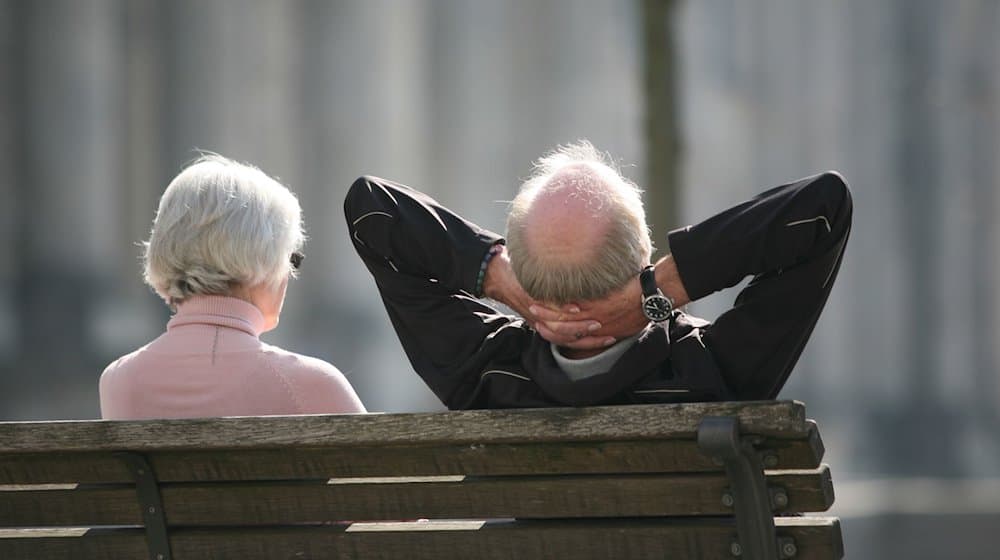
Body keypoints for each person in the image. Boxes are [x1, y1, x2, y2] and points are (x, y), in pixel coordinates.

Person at [344, 141, 851, 409]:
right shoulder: (716, 370)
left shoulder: (482, 375)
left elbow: (374, 213)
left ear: (527, 270)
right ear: (643, 252)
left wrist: (502, 282)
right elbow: (823, 208)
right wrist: (659, 293)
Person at [100, 154, 366, 419]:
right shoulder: (312, 383)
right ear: (265, 257)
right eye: (291, 259)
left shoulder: (119, 380)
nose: (289, 275)